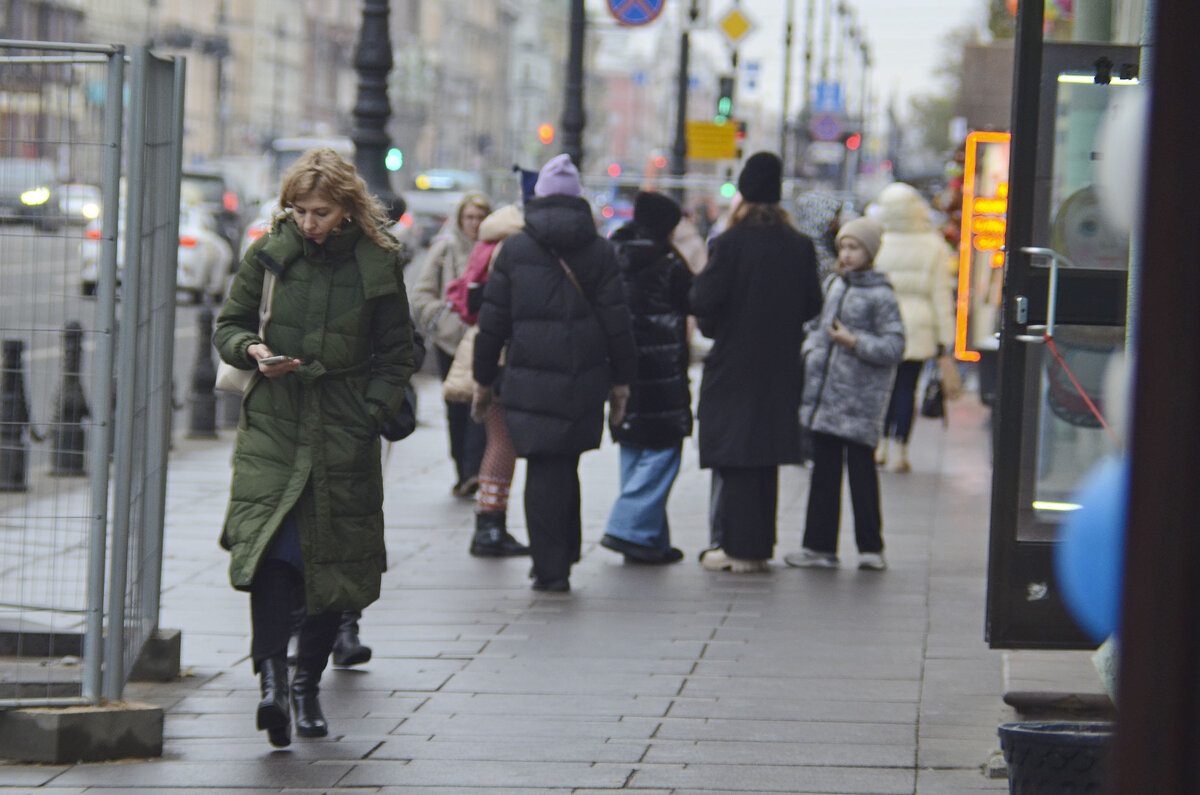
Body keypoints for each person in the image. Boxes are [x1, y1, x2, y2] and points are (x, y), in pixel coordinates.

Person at [213, 148, 416, 747]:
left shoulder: (378, 262)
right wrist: (253, 350)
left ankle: (307, 688)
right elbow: (229, 325)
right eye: (299, 210)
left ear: (347, 208)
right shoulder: (269, 253)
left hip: (342, 427)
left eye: (321, 212)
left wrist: (371, 412)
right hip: (275, 424)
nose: (308, 223)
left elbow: (396, 354)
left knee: (332, 566)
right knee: (271, 558)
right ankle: (273, 685)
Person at [472, 153, 636, 592]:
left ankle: (551, 566)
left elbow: (493, 323)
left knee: (544, 465)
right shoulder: (600, 250)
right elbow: (618, 322)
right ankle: (562, 551)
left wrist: (483, 379)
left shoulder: (516, 249)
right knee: (565, 463)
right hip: (585, 379)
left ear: (538, 197)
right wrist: (622, 380)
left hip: (528, 378)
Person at [690, 152, 823, 573]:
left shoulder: (728, 243)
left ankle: (738, 549)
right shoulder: (800, 246)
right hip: (781, 364)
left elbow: (702, 300)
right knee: (765, 455)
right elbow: (811, 304)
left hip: (735, 362)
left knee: (736, 454)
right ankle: (759, 544)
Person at [787, 216, 905, 571]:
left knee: (861, 475)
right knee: (823, 474)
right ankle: (819, 547)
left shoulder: (881, 295)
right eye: (843, 246)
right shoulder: (834, 285)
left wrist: (854, 342)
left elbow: (895, 345)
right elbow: (818, 330)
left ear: (870, 252)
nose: (847, 254)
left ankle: (871, 547)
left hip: (859, 402)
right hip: (826, 398)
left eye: (855, 247)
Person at [599, 191, 693, 565]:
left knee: (634, 447)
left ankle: (650, 539)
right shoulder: (670, 262)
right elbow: (695, 301)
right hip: (662, 369)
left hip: (622, 364)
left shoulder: (612, 253)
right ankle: (628, 528)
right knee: (664, 449)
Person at [458, 203, 529, 557]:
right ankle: (489, 525)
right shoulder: (508, 249)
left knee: (498, 442)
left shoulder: (485, 246)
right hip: (505, 355)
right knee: (503, 444)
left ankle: (489, 522)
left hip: (490, 352)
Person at [871, 182, 958, 473]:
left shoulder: (878, 241)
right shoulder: (933, 245)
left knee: (884, 388)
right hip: (919, 329)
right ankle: (900, 451)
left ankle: (879, 446)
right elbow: (940, 297)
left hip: (883, 325)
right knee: (907, 389)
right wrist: (946, 340)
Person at [411, 192, 492, 497]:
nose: (475, 223)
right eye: (470, 217)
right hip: (450, 344)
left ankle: (473, 471)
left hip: (484, 343)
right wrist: (442, 317)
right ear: (460, 219)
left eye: (480, 217)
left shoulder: (495, 250)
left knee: (480, 406)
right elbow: (421, 294)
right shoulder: (444, 250)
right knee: (456, 409)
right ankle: (463, 470)